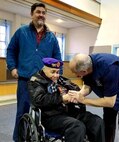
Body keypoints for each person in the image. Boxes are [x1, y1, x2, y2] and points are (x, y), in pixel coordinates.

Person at [6, 3, 62, 142]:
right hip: (25, 79)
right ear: (32, 14)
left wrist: (57, 73)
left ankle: (42, 137)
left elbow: (57, 57)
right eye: (38, 12)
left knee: (45, 111)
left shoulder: (51, 37)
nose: (41, 15)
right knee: (22, 111)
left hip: (44, 81)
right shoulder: (21, 32)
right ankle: (18, 139)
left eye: (43, 12)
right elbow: (11, 50)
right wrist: (12, 67)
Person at [28, 57, 105, 142]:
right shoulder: (36, 81)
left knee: (96, 122)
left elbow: (75, 88)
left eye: (57, 72)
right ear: (44, 70)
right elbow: (39, 100)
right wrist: (61, 98)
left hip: (68, 111)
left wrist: (75, 95)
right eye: (53, 72)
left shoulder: (60, 79)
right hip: (50, 116)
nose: (56, 75)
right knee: (76, 126)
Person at [69, 53, 119, 142]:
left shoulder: (109, 68)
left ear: (84, 71)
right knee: (108, 124)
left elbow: (109, 102)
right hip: (109, 91)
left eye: (75, 73)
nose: (74, 74)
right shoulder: (86, 63)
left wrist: (83, 100)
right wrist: (79, 94)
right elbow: (88, 85)